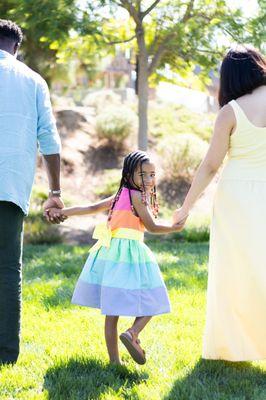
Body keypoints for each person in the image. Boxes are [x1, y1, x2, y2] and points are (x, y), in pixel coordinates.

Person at [48, 151, 185, 365]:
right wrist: (175, 228)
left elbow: (92, 208)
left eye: (152, 175)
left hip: (111, 255)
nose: (149, 180)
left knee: (112, 311)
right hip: (131, 254)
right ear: (129, 174)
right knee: (153, 298)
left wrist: (63, 212)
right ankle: (132, 333)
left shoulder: (121, 193)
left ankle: (115, 362)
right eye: (143, 175)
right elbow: (152, 226)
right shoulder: (138, 196)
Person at [173, 45, 266, 361]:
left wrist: (185, 207)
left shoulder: (231, 111)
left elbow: (211, 164)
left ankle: (232, 348)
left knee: (234, 271)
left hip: (236, 195)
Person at [0, 19, 65, 365]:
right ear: (16, 48)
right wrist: (55, 191)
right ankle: (7, 354)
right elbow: (50, 141)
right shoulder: (32, 80)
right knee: (8, 269)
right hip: (10, 186)